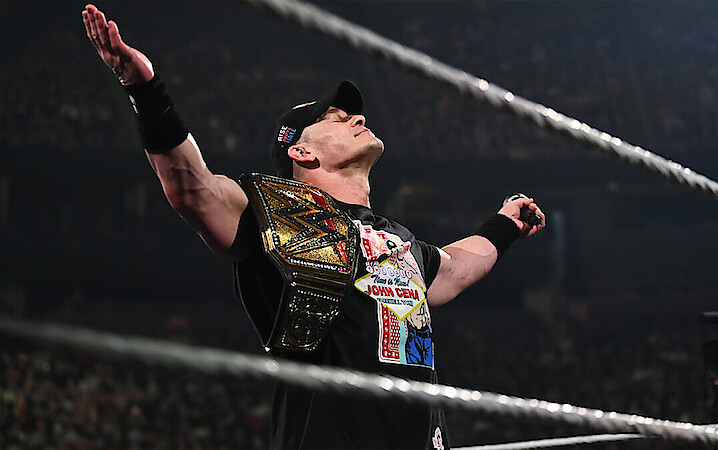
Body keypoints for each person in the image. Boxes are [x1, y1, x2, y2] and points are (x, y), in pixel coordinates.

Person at [82, 4, 545, 449]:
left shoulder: (396, 239)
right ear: (301, 152)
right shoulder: (272, 208)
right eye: (336, 118)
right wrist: (146, 90)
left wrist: (503, 225)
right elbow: (193, 189)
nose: (358, 117)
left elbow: (451, 269)